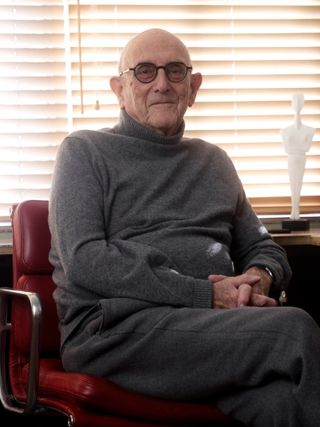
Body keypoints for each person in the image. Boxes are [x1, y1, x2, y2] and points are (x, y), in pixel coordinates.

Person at [48, 28, 320, 427]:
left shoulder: (214, 162)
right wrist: (206, 295)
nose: (161, 83)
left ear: (192, 88)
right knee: (293, 333)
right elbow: (85, 260)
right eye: (144, 71)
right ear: (118, 89)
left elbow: (265, 248)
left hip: (212, 330)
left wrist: (259, 279)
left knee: (281, 403)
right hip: (114, 332)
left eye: (175, 72)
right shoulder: (83, 152)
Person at [280, 93, 315, 220]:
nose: (297, 105)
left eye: (300, 101)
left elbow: (306, 148)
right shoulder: (285, 130)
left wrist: (297, 148)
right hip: (292, 158)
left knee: (298, 183)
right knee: (292, 183)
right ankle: (294, 210)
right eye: (295, 101)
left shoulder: (310, 130)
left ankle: (296, 210)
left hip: (300, 158)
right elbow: (286, 148)